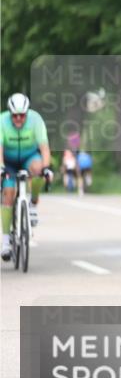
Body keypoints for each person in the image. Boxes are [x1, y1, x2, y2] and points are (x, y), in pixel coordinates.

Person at [1, 93, 54, 261]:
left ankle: (32, 203)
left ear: (27, 113)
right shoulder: (2, 121)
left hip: (29, 157)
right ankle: (5, 241)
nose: (18, 119)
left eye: (22, 115)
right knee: (8, 193)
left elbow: (44, 148)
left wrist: (46, 169)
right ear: (9, 113)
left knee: (39, 169)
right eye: (14, 115)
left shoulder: (35, 120)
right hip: (8, 161)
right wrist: (1, 169)